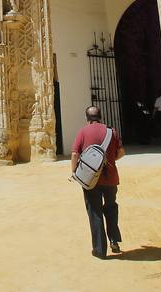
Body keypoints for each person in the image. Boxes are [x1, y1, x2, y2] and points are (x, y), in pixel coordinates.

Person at [70, 105, 125, 259]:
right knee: (111, 208)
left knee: (95, 211)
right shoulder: (111, 131)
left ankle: (100, 250)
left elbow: (75, 154)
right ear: (100, 117)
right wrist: (110, 160)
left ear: (87, 118)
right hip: (111, 177)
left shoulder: (83, 131)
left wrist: (74, 172)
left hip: (90, 179)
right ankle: (114, 240)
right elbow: (121, 152)